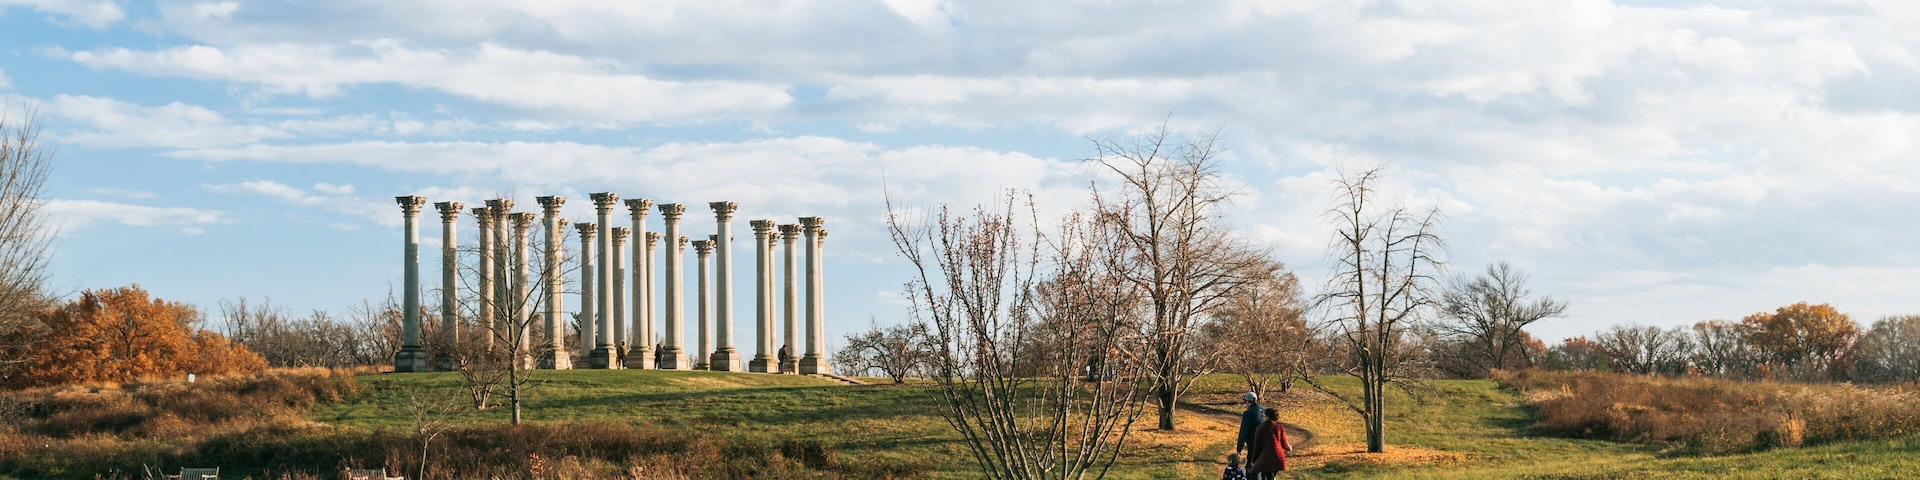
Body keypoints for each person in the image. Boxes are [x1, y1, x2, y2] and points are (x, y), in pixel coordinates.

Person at [1244, 407, 1291, 478]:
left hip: (1266, 458)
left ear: (1267, 417)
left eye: (1263, 415)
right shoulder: (1280, 428)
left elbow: (1257, 446)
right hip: (1278, 458)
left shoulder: (1261, 428)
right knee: (1270, 476)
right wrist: (1289, 448)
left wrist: (1253, 460)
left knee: (1253, 472)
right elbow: (1284, 444)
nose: (1262, 417)